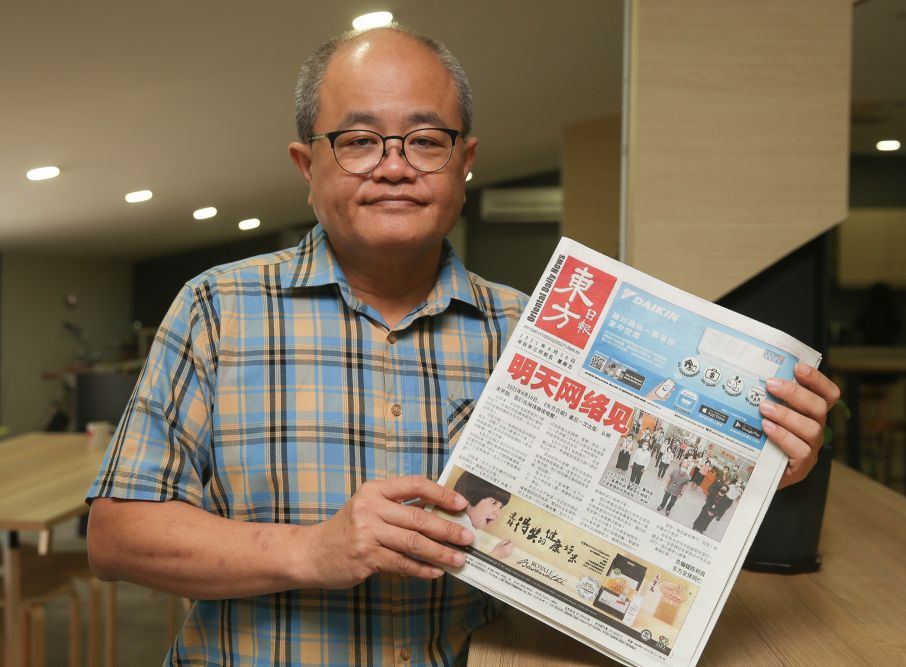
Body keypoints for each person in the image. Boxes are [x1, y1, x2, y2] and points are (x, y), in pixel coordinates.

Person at [84, 23, 841, 666]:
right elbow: (117, 536)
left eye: (425, 139)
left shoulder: (533, 332)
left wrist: (761, 463)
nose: (393, 164)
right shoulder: (217, 307)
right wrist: (310, 550)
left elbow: (626, 536)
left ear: (464, 161)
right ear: (306, 166)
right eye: (356, 140)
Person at [450, 471, 515, 560]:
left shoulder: (464, 523)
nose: (498, 513)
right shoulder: (465, 530)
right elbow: (466, 568)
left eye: (501, 507)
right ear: (470, 496)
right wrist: (496, 555)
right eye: (494, 502)